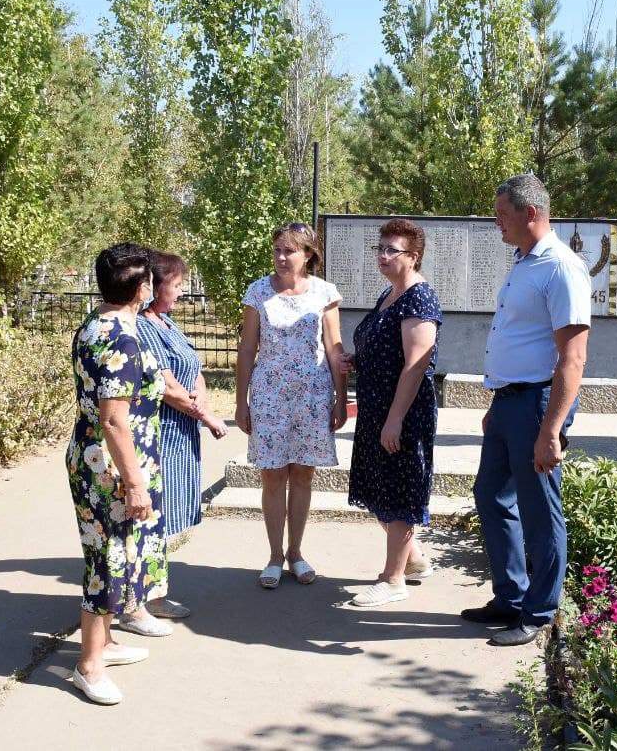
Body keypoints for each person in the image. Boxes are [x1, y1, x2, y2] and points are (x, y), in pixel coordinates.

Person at [464, 173, 591, 647]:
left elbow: (572, 358)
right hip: (509, 402)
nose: (497, 223)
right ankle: (511, 596)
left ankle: (538, 611)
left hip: (538, 404)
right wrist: (497, 402)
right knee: (491, 496)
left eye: (502, 215)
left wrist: (551, 429)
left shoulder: (561, 267)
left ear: (530, 213)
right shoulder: (523, 262)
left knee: (540, 510)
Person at [65, 243, 168, 704]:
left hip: (94, 455)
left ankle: (104, 643)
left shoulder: (95, 323)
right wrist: (134, 482)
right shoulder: (122, 339)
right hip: (109, 466)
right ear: (143, 289)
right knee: (106, 561)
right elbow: (113, 419)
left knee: (117, 553)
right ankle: (88, 666)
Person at [236, 223, 347, 589]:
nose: (282, 257)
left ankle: (296, 553)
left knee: (302, 475)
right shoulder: (257, 292)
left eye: (290, 251)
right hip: (269, 396)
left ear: (308, 255)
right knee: (272, 475)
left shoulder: (324, 293)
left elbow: (334, 348)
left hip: (313, 397)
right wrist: (241, 401)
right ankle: (272, 557)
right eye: (278, 250)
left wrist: (340, 398)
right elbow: (247, 349)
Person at [339, 219, 443, 608]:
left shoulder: (419, 299)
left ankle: (393, 578)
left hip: (403, 412)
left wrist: (396, 418)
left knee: (398, 489)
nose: (382, 256)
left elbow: (416, 365)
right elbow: (385, 349)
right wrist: (357, 359)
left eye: (392, 250)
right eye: (380, 248)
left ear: (413, 257)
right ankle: (413, 560)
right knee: (379, 486)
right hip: (377, 407)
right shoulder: (390, 295)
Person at [131, 250, 230, 628]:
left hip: (180, 432)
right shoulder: (144, 327)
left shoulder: (168, 323)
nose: (182, 290)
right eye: (176, 284)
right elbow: (167, 385)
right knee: (151, 517)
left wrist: (202, 393)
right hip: (162, 432)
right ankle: (138, 602)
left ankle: (153, 594)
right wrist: (207, 416)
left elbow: (192, 367)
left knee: (164, 517)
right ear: (154, 287)